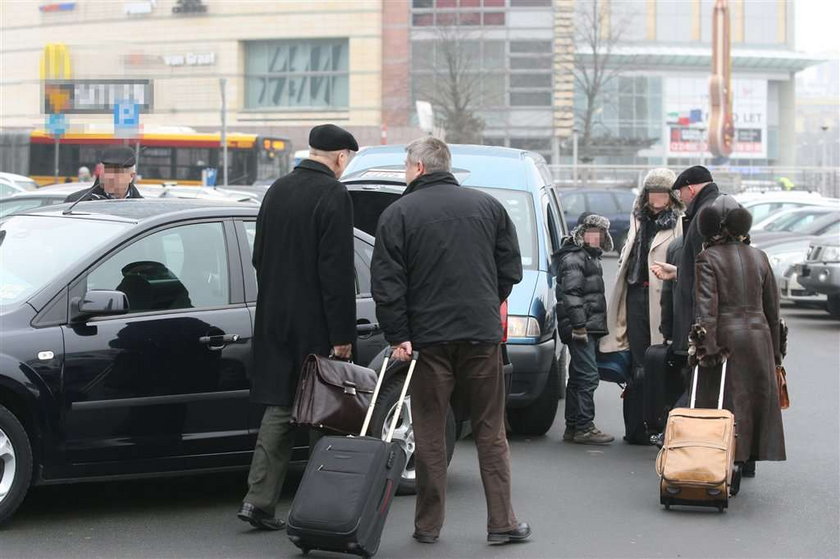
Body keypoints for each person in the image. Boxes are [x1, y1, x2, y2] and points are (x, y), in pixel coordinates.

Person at [370, 137, 529, 546]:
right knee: (490, 431)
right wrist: (484, 301)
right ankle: (502, 522)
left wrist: (398, 335)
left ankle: (427, 525)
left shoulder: (398, 214)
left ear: (419, 167)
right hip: (480, 336)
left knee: (428, 430)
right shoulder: (488, 207)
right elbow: (510, 267)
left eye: (406, 167)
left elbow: (388, 284)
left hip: (429, 341)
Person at [237, 124, 359, 531]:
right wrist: (342, 336)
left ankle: (258, 501)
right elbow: (337, 273)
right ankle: (323, 508)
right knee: (325, 413)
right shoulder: (333, 195)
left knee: (280, 408)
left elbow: (258, 256)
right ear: (340, 156)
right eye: (348, 161)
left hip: (274, 321)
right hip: (316, 326)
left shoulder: (276, 190)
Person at [690, 196, 786, 479]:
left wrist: (705, 348)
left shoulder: (707, 258)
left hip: (725, 338)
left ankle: (726, 457)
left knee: (724, 400)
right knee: (755, 398)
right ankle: (748, 459)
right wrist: (776, 353)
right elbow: (773, 307)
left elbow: (707, 308)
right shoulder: (760, 257)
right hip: (759, 337)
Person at [601, 168, 684, 445]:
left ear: (671, 196)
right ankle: (636, 428)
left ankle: (660, 426)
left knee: (661, 363)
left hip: (663, 300)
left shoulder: (680, 223)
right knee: (636, 365)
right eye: (652, 192)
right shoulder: (638, 220)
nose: (656, 198)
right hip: (636, 296)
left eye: (662, 193)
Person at [556, 213, 614, 445]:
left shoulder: (589, 257)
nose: (596, 238)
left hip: (584, 326)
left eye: (599, 234)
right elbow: (572, 294)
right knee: (588, 376)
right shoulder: (576, 259)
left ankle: (573, 426)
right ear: (582, 233)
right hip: (581, 327)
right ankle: (584, 427)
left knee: (578, 376)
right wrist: (580, 325)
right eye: (591, 232)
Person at [656, 165, 723, 362]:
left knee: (697, 383)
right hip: (709, 319)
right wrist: (679, 272)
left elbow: (708, 273)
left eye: (681, 192)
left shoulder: (704, 214)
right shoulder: (714, 207)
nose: (681, 198)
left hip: (702, 321)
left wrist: (699, 325)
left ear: (691, 189)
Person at [64, 147, 143, 202]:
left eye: (117, 173)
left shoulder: (142, 207)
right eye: (107, 171)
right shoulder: (76, 201)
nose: (110, 177)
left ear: (131, 176)